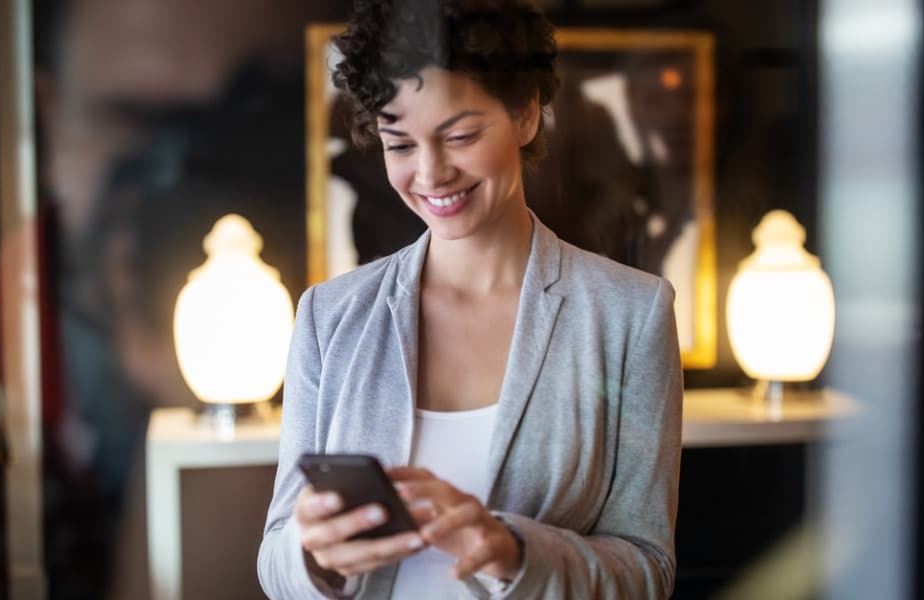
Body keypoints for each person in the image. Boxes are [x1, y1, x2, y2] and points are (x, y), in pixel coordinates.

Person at [258, 0, 683, 598]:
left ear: (528, 114)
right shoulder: (329, 318)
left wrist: (516, 553)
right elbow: (277, 555)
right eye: (399, 144)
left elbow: (647, 569)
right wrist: (313, 556)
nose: (430, 174)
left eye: (459, 135)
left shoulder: (630, 316)